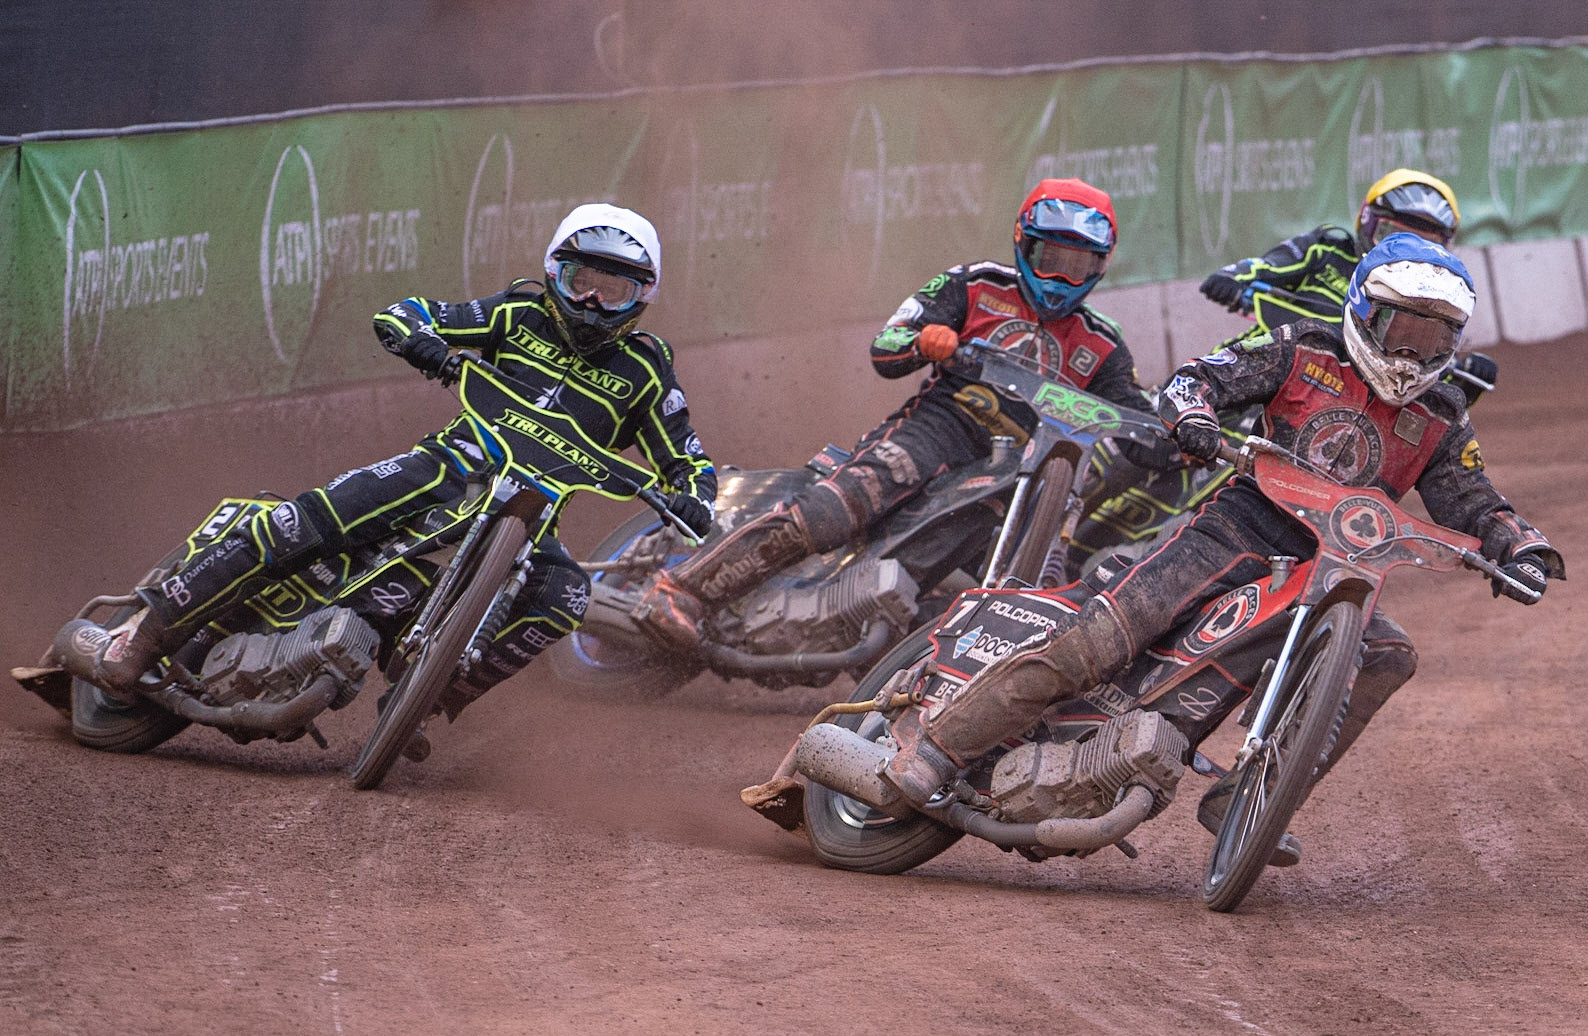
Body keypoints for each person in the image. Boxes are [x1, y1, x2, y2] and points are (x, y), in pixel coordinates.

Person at [880, 233, 1564, 865]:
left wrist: (1520, 545)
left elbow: (1472, 498)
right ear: (1364, 310)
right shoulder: (1302, 347)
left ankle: (1249, 795)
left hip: (1335, 568)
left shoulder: (1442, 412)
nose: (1413, 353)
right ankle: (938, 749)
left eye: (1434, 335)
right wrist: (1196, 417)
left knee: (1389, 653)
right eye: (1403, 330)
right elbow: (1195, 380)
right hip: (1238, 528)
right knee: (1107, 636)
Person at [70, 202, 717, 741]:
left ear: (643, 298)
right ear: (555, 271)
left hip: (532, 515)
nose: (595, 303)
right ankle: (147, 632)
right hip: (448, 466)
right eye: (582, 281)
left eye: (617, 290)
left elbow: (687, 458)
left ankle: (431, 697)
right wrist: (424, 343)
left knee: (567, 595)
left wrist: (694, 497)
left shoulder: (647, 371)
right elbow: (404, 314)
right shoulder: (515, 316)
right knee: (307, 520)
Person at [637, 177, 1159, 648]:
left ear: (1099, 268)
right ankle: (683, 590)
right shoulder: (974, 285)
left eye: (1078, 266)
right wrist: (928, 342)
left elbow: (1142, 429)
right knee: (843, 505)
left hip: (1018, 471)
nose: (1060, 278)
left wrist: (1188, 432)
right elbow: (887, 346)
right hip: (940, 427)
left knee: (1043, 574)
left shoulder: (1103, 345)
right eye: (1051, 259)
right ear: (1023, 244)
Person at [1199, 167, 1497, 404]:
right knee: (1195, 390)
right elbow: (1266, 266)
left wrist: (1463, 382)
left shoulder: (1433, 297)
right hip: (1274, 359)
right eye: (1392, 234)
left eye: (1422, 242)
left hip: (1346, 402)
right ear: (1367, 222)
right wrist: (1235, 279)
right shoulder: (1326, 250)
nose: (1403, 246)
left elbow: (1422, 375)